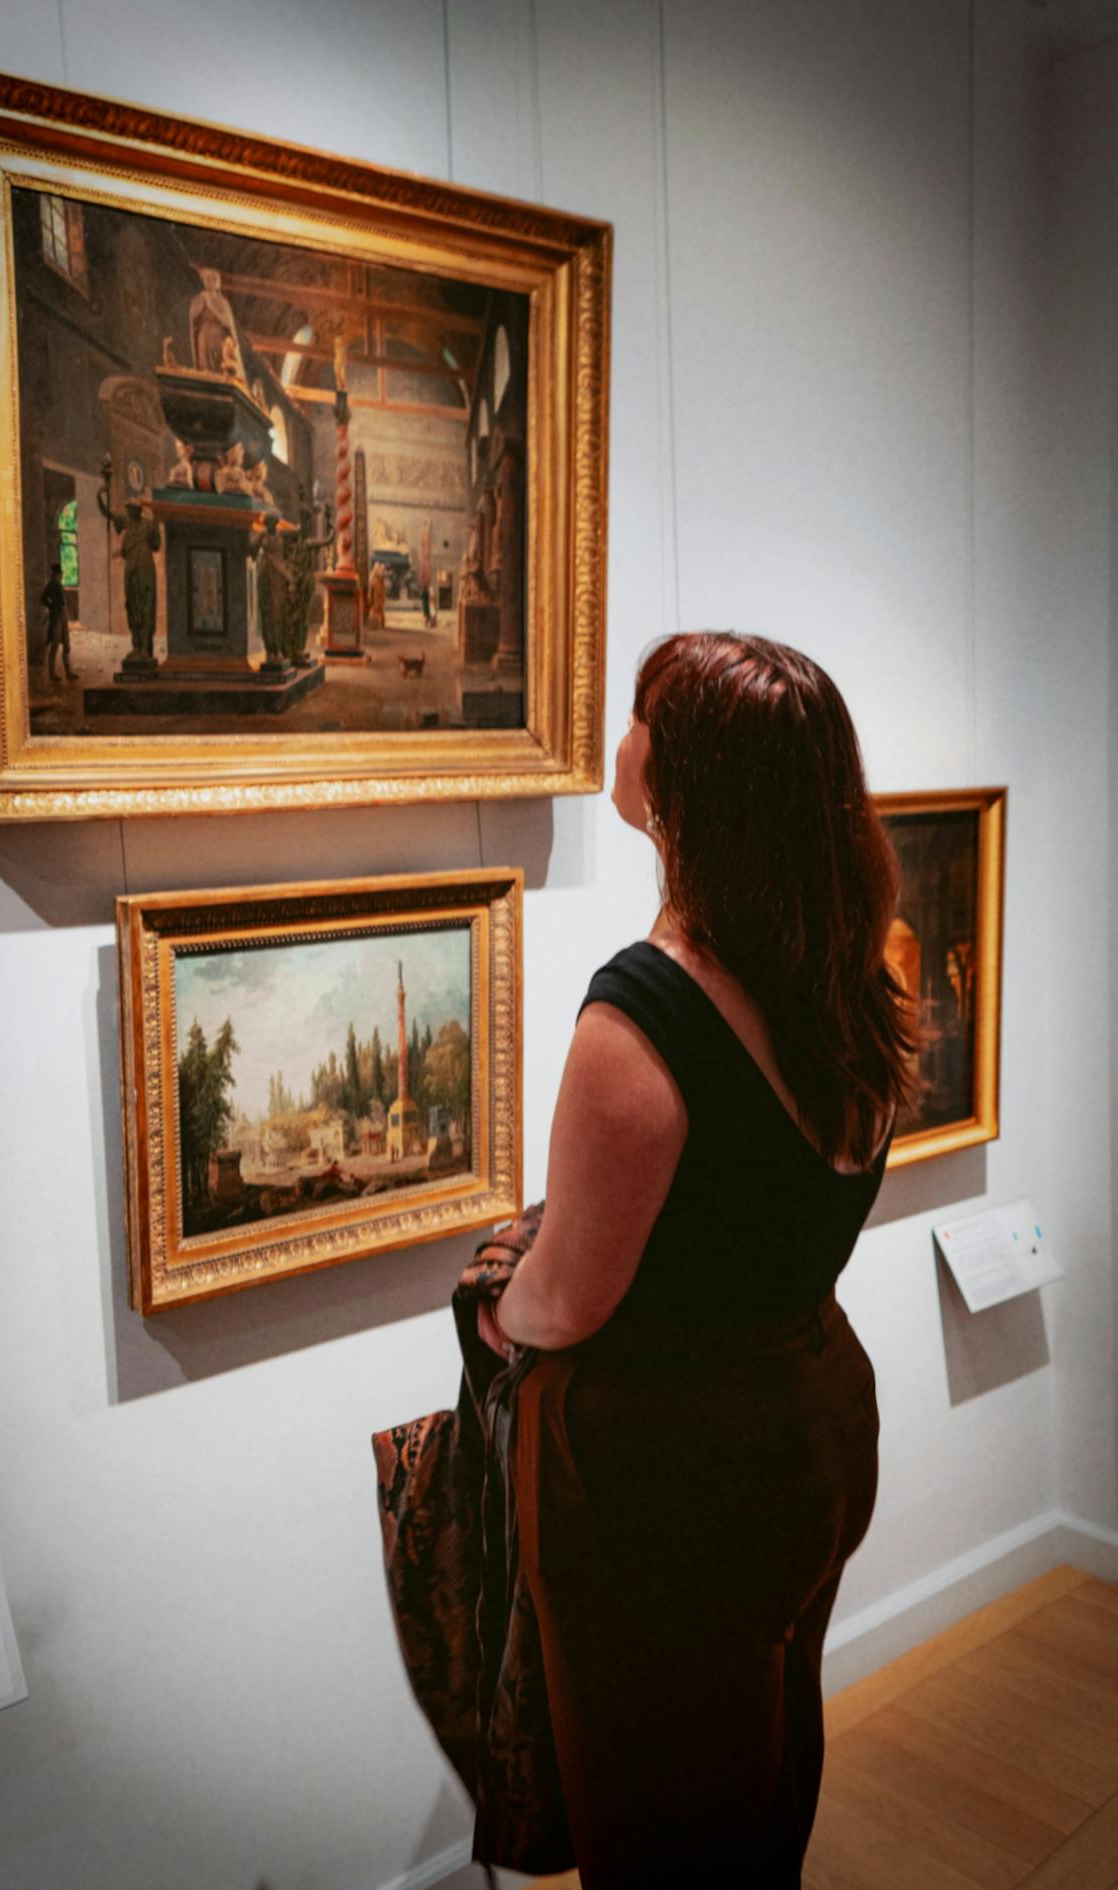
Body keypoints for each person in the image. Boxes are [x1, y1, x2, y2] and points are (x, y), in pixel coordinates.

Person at [477, 631, 918, 1886]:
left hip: (667, 1480)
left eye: (639, 718)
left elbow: (567, 1303)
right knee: (766, 1780)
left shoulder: (642, 1015)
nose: (619, 740)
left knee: (660, 1837)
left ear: (685, 786)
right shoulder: (853, 978)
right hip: (814, 1424)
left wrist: (502, 1291)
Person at [40, 562, 74, 682]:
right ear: (55, 575)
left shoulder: (59, 585)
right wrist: (52, 607)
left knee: (67, 646)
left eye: (60, 574)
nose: (61, 576)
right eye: (59, 574)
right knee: (54, 646)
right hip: (56, 618)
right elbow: (42, 598)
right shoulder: (51, 585)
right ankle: (52, 674)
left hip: (63, 617)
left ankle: (68, 672)